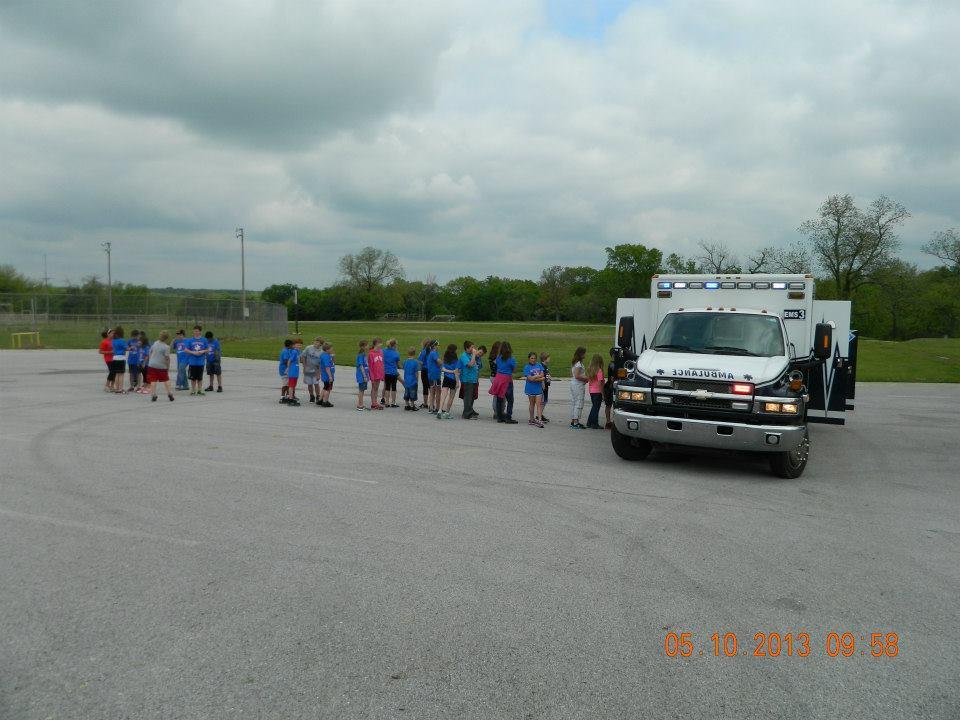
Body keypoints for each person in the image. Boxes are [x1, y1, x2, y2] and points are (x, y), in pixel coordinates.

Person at [489, 341, 518, 424]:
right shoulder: (511, 359)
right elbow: (514, 369)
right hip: (506, 379)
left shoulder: (498, 358)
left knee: (499, 399)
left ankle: (499, 416)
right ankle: (508, 417)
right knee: (510, 400)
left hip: (498, 378)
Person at [145, 331, 175, 402]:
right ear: (167, 338)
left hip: (152, 364)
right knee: (166, 379)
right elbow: (167, 358)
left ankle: (153, 395)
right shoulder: (166, 347)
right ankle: (170, 394)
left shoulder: (155, 343)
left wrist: (150, 360)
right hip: (161, 366)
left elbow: (150, 352)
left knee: (153, 380)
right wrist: (167, 367)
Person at [458, 341, 481, 419]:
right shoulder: (464, 356)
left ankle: (470, 410)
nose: (473, 349)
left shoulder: (471, 355)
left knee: (471, 397)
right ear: (467, 348)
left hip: (473, 379)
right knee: (468, 397)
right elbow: (470, 365)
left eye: (473, 347)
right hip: (467, 379)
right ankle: (466, 414)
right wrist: (474, 355)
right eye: (472, 347)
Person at [437, 343, 460, 420]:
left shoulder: (445, 359)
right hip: (453, 379)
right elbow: (456, 372)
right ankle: (447, 412)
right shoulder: (456, 360)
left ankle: (440, 410)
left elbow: (442, 369)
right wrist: (457, 382)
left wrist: (449, 371)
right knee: (451, 397)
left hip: (446, 378)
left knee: (443, 395)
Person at [185, 325, 209, 396]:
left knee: (199, 377)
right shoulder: (190, 340)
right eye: (195, 331)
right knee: (193, 378)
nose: (196, 332)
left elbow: (208, 350)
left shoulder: (204, 340)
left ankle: (199, 390)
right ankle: (193, 390)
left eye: (197, 331)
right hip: (192, 362)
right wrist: (193, 352)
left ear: (200, 332)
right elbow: (186, 349)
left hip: (200, 362)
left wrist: (202, 351)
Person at [523, 352, 545, 428]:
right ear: (529, 359)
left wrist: (536, 377)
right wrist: (539, 378)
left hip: (538, 388)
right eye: (532, 358)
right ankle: (531, 419)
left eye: (535, 358)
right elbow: (530, 379)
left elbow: (543, 375)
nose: (533, 360)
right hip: (530, 388)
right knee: (532, 404)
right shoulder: (527, 367)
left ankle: (539, 419)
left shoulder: (539, 365)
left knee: (539, 404)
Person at [570, 346, 588, 429]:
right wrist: (586, 378)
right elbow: (577, 376)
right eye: (584, 353)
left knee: (575, 402)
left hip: (575, 384)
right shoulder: (578, 364)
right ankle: (575, 422)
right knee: (578, 402)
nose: (585, 355)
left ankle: (574, 420)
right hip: (578, 385)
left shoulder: (576, 363)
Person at [585, 353, 605, 429]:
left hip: (591, 391)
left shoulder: (590, 370)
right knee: (596, 408)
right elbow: (600, 383)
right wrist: (602, 394)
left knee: (594, 407)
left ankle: (590, 422)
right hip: (598, 391)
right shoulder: (599, 371)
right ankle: (594, 423)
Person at [302, 336, 323, 404]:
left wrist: (319, 374)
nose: (315, 343)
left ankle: (318, 396)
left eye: (318, 342)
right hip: (308, 369)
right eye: (315, 341)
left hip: (316, 370)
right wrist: (304, 367)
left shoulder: (321, 352)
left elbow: (320, 364)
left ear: (320, 344)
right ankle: (311, 396)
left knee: (316, 384)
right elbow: (303, 356)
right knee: (309, 384)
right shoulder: (308, 348)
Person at [381, 339, 401, 408]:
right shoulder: (396, 353)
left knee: (387, 387)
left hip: (386, 372)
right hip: (393, 372)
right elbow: (398, 364)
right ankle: (393, 402)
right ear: (394, 345)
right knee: (394, 388)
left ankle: (386, 402)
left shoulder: (383, 351)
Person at [283, 338, 302, 405]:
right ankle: (290, 398)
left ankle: (291, 397)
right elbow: (289, 360)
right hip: (293, 370)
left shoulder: (298, 352)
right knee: (291, 385)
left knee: (293, 385)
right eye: (297, 345)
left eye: (300, 345)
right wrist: (288, 368)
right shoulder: (294, 352)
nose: (299, 346)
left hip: (296, 370)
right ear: (294, 345)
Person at [368, 337, 385, 410]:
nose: (381, 345)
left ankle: (375, 402)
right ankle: (373, 403)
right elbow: (370, 366)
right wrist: (371, 376)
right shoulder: (371, 354)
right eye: (380, 343)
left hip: (379, 374)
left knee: (377, 388)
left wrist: (383, 374)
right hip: (374, 374)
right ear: (376, 344)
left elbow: (382, 364)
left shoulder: (381, 352)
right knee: (374, 388)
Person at [425, 340, 442, 413]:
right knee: (438, 391)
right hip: (435, 375)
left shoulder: (430, 353)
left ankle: (431, 407)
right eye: (437, 345)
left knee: (432, 391)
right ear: (434, 346)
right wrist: (442, 363)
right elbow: (439, 362)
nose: (438, 347)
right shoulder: (434, 353)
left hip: (430, 374)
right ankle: (437, 408)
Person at [110, 326, 127, 393]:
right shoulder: (122, 340)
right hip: (121, 358)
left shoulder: (113, 341)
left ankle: (117, 388)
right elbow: (126, 348)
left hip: (115, 358)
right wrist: (131, 347)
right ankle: (121, 389)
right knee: (121, 374)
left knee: (117, 374)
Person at [402, 347, 420, 411]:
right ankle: (412, 405)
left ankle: (407, 405)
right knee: (413, 393)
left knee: (406, 393)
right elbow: (416, 372)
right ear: (414, 354)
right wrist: (417, 380)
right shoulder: (415, 362)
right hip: (413, 380)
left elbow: (404, 368)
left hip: (406, 379)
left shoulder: (405, 362)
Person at [318, 342, 335, 407]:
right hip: (327, 375)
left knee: (325, 387)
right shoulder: (326, 357)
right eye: (331, 348)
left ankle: (320, 400)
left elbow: (331, 362)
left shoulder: (324, 355)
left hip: (325, 375)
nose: (332, 349)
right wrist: (330, 376)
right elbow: (327, 367)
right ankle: (325, 401)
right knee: (328, 389)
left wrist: (332, 357)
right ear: (327, 349)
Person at [356, 340, 370, 411]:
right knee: (361, 390)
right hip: (362, 375)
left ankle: (360, 403)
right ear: (363, 346)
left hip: (365, 375)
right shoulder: (361, 355)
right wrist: (364, 376)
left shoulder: (364, 354)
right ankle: (360, 405)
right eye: (367, 345)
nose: (368, 346)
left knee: (362, 390)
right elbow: (361, 366)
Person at [278, 339, 294, 403]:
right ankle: (282, 396)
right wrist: (291, 363)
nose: (293, 346)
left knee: (288, 384)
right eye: (292, 345)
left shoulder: (288, 350)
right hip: (284, 370)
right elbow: (285, 361)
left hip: (287, 369)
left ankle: (287, 396)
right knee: (285, 384)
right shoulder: (285, 351)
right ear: (289, 345)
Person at [604, 348, 616, 429]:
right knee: (610, 405)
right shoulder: (614, 365)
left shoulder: (611, 364)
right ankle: (609, 422)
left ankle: (608, 421)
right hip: (611, 387)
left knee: (608, 405)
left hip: (608, 386)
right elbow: (612, 378)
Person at [417, 338, 431, 409]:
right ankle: (432, 402)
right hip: (431, 371)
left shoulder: (423, 351)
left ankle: (425, 403)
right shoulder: (432, 351)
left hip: (425, 370)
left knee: (425, 387)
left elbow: (420, 361)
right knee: (431, 387)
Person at [539, 352, 552, 423]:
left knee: (545, 401)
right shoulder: (542, 366)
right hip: (543, 387)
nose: (550, 359)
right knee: (543, 401)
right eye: (548, 358)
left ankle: (540, 414)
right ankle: (539, 416)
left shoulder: (545, 366)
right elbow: (542, 376)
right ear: (545, 359)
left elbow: (546, 375)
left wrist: (549, 377)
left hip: (546, 386)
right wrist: (543, 384)